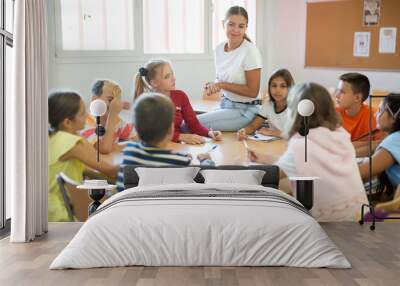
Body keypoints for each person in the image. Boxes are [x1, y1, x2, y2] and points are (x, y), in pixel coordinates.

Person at [247, 83, 368, 221]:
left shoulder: (302, 144)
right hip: (361, 217)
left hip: (332, 228)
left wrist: (240, 167)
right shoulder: (340, 134)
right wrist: (267, 158)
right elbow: (304, 162)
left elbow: (272, 176)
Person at [116, 93, 215, 192]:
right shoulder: (180, 161)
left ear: (136, 128)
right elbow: (205, 180)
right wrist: (206, 161)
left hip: (127, 205)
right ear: (171, 130)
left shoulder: (129, 150)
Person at [48, 91, 119, 221]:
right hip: (64, 213)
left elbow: (83, 169)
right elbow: (110, 170)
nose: (87, 115)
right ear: (67, 122)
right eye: (82, 113)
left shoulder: (54, 138)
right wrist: (136, 161)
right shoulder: (71, 142)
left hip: (51, 210)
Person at [197, 6, 262, 131]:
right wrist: (214, 85)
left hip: (245, 110)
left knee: (189, 125)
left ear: (246, 28)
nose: (236, 30)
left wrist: (221, 85)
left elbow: (253, 91)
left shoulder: (250, 51)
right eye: (231, 24)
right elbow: (221, 79)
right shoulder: (219, 49)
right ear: (223, 24)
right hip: (225, 104)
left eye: (241, 26)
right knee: (189, 120)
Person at [134, 59, 222, 144]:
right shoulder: (148, 102)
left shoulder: (181, 96)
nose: (174, 79)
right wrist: (179, 136)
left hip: (179, 145)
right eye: (167, 76)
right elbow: (151, 134)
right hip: (159, 146)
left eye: (172, 74)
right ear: (154, 83)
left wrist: (209, 133)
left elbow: (193, 124)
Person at [359, 94, 400, 203]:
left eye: (380, 110)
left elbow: (361, 172)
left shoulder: (394, 140)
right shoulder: (395, 138)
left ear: (393, 117)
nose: (375, 113)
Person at [81, 80, 137, 154]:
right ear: (94, 99)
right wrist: (113, 114)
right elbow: (105, 149)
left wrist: (116, 147)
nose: (115, 104)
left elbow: (140, 139)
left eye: (117, 101)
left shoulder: (117, 122)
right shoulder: (85, 123)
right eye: (110, 99)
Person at [335, 73, 385, 154]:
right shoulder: (332, 113)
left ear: (357, 97)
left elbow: (381, 144)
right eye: (337, 90)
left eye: (342, 92)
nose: (337, 95)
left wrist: (347, 146)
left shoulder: (376, 116)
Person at [237, 69, 294, 140]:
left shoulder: (294, 107)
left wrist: (272, 132)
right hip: (275, 144)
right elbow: (253, 126)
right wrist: (243, 131)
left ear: (290, 88)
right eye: (274, 86)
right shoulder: (268, 105)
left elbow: (298, 134)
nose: (277, 90)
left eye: (283, 86)